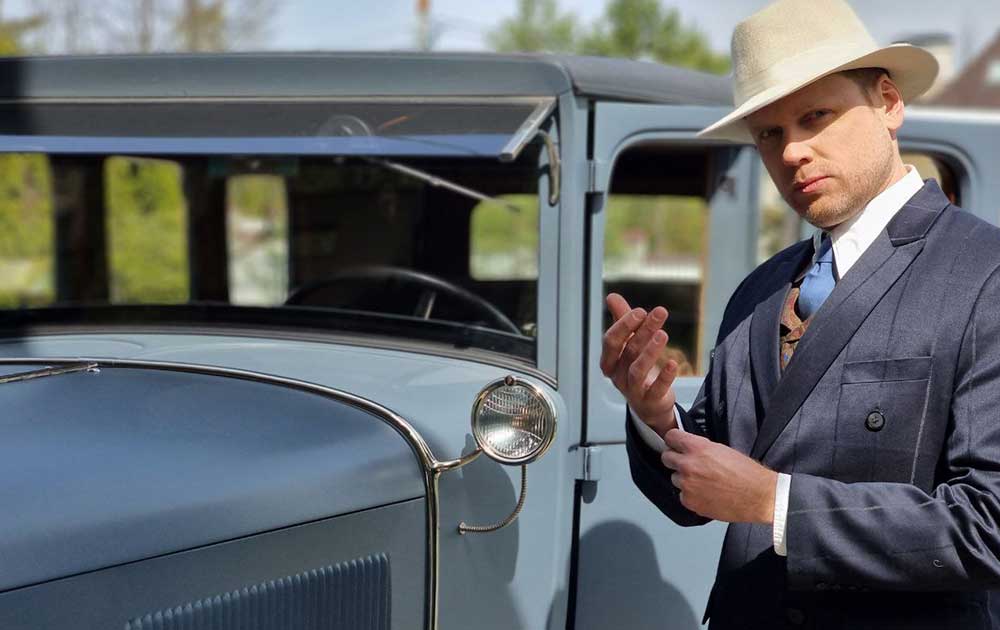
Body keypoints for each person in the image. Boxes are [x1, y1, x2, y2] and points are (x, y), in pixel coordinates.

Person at [601, 0, 1000, 628]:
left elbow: (988, 525)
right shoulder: (760, 289)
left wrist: (777, 503)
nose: (791, 152)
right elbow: (699, 496)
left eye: (816, 116)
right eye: (769, 133)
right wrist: (655, 416)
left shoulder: (984, 272)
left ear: (889, 102)